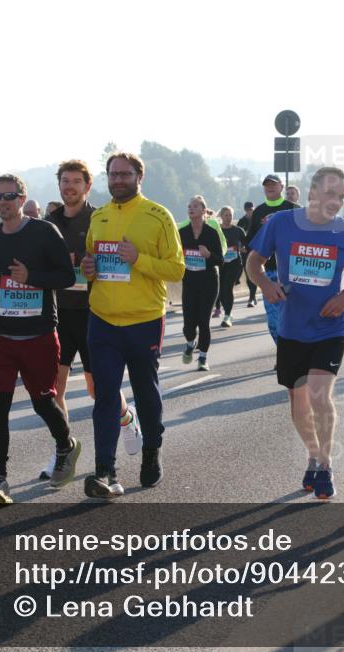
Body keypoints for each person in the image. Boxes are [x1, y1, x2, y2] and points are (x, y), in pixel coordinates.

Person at [246, 167, 344, 500]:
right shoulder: (281, 223)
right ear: (312, 191)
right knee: (298, 400)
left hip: (330, 327)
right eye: (330, 193)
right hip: (291, 328)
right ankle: (312, 455)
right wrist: (266, 284)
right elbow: (254, 262)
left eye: (341, 197)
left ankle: (325, 465)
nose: (335, 202)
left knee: (319, 395)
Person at [0, 173, 80, 505]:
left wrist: (32, 278)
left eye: (8, 196)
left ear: (21, 197)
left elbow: (65, 276)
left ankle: (66, 445)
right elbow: (1, 276)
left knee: (43, 402)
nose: (2, 202)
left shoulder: (45, 232)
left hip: (38, 334)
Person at [80, 152, 186, 497]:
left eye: (125, 174)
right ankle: (105, 471)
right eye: (113, 174)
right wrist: (88, 268)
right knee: (105, 396)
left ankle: (152, 449)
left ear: (140, 177)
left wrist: (138, 259)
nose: (118, 180)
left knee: (145, 391)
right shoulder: (99, 216)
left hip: (144, 320)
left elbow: (177, 269)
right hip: (103, 320)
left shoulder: (158, 216)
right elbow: (90, 261)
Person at [41, 159, 139, 481]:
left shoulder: (99, 218)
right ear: (59, 185)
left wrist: (89, 263)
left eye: (75, 181)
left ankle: (126, 418)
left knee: (98, 389)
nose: (69, 187)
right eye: (64, 181)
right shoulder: (49, 223)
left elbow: (113, 260)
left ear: (87, 186)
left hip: (91, 313)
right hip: (57, 313)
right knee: (54, 389)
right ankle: (63, 450)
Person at [244, 174, 300, 343]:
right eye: (266, 185)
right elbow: (252, 240)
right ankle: (283, 351)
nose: (270, 187)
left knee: (294, 317)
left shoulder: (294, 208)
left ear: (281, 187)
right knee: (274, 322)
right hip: (268, 273)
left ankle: (294, 351)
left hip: (292, 273)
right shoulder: (258, 212)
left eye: (273, 184)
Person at [177, 195, 225, 371]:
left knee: (203, 322)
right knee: (188, 324)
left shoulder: (211, 233)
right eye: (189, 206)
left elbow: (220, 261)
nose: (191, 209)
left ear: (203, 211)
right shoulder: (182, 233)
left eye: (195, 206)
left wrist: (209, 255)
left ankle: (203, 358)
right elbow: (175, 256)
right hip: (189, 281)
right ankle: (191, 343)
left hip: (209, 282)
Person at [216, 205, 246, 326]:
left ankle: (227, 316)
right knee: (221, 291)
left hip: (234, 264)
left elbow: (247, 243)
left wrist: (244, 248)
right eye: (226, 215)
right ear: (221, 216)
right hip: (220, 264)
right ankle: (228, 312)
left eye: (230, 215)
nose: (228, 217)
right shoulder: (216, 230)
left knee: (227, 289)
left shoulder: (238, 230)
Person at [237, 201, 257, 307]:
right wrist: (240, 247)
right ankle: (252, 296)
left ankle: (252, 297)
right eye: (248, 210)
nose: (249, 212)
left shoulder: (258, 220)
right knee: (248, 274)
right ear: (245, 210)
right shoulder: (241, 222)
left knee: (254, 273)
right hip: (245, 251)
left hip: (256, 250)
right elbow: (237, 237)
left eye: (251, 210)